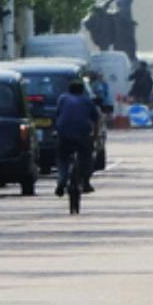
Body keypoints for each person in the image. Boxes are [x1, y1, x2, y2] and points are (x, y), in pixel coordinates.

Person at [53, 77, 101, 207]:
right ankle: (85, 182)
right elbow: (96, 120)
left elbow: (57, 116)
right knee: (86, 157)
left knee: (62, 158)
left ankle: (61, 180)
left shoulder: (62, 99)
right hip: (82, 135)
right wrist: (95, 137)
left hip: (64, 135)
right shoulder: (87, 101)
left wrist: (56, 131)